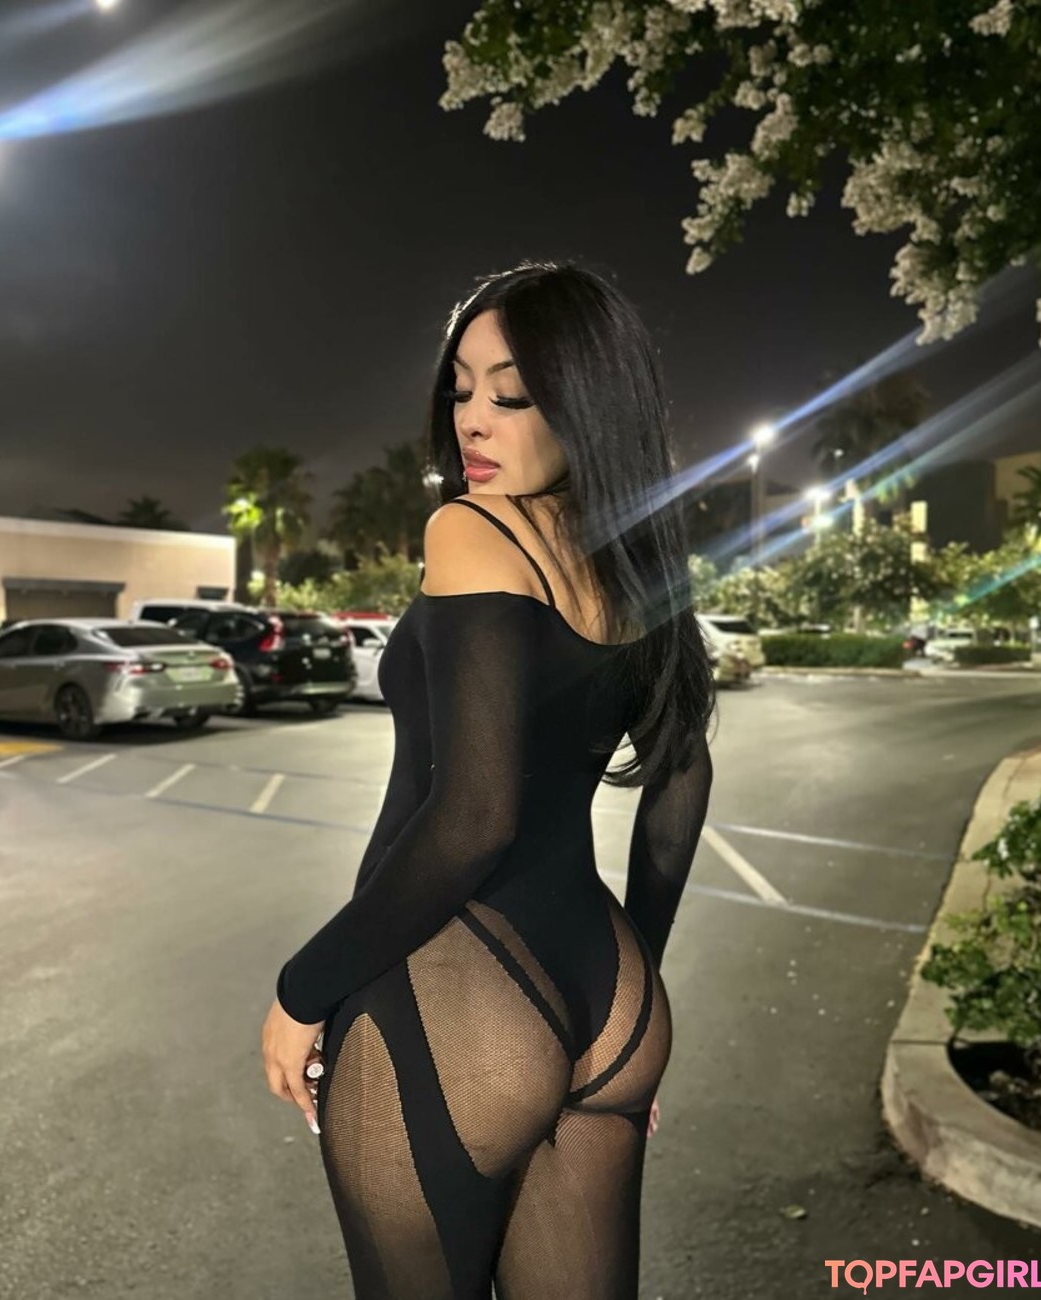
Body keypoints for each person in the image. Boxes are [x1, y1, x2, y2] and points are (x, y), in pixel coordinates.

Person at [261, 260, 716, 1299]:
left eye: (510, 396)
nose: (472, 418)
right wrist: (638, 981)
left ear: (590, 404)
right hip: (612, 999)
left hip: (459, 993)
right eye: (462, 388)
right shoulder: (638, 562)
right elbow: (680, 785)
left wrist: (302, 988)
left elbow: (470, 819)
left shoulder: (469, 530)